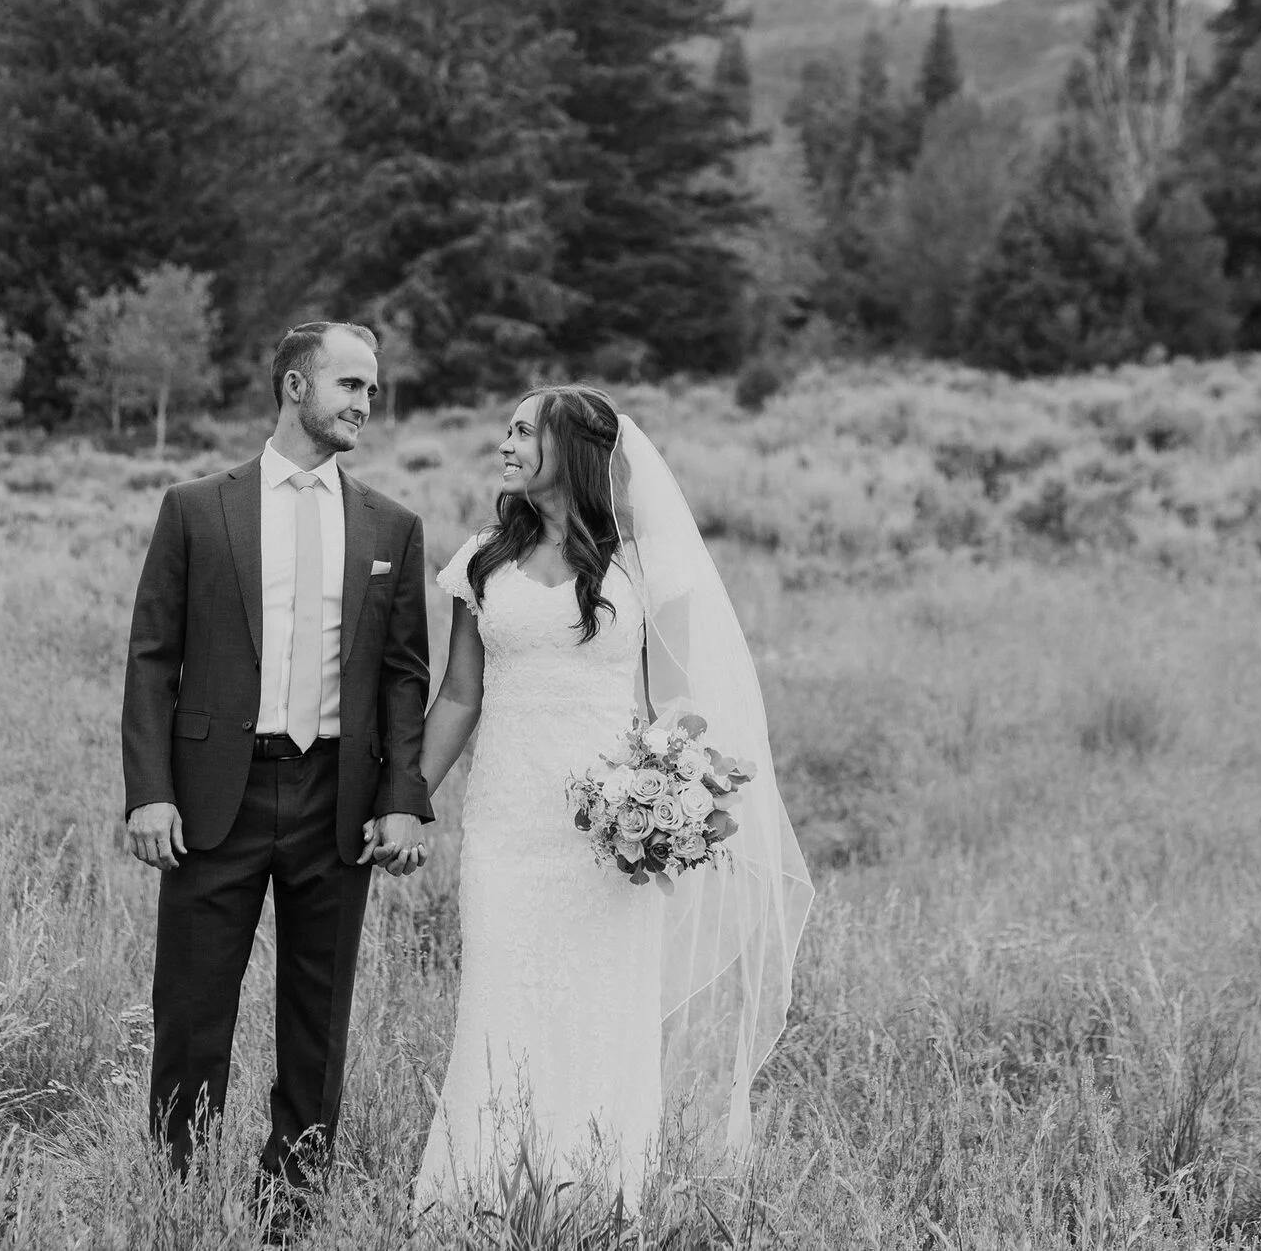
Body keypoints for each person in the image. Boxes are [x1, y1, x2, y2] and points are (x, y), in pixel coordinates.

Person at [413, 385, 811, 1210]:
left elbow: (680, 709)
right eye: (507, 428)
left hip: (609, 835)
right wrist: (408, 798)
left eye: (524, 430)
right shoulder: (483, 558)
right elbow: (459, 694)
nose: (506, 443)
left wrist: (671, 799)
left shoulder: (641, 568)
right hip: (506, 822)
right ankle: (478, 1202)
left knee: (601, 1010)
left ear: (576, 450)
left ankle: (594, 1199)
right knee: (499, 999)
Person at [119, 320, 435, 1228]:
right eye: (349, 385)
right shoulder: (195, 507)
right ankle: (173, 1198)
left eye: (372, 390)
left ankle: (290, 1208)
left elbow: (406, 675)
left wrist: (402, 800)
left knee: (316, 1015)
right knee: (191, 1009)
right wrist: (150, 789)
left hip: (335, 799)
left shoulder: (393, 526)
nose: (364, 405)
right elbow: (152, 657)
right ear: (295, 387)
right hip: (217, 793)